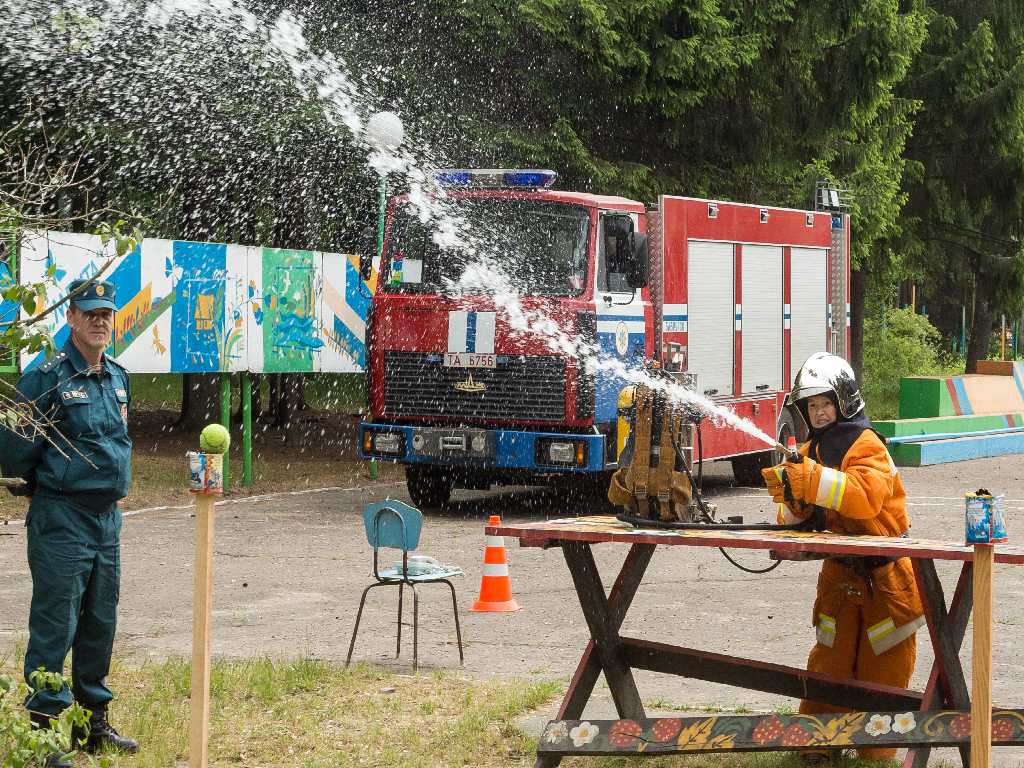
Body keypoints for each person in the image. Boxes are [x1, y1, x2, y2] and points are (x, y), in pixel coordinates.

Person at [0, 279, 139, 764]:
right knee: (55, 626)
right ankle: (45, 735)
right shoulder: (47, 377)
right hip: (62, 518)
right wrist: (46, 482)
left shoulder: (118, 376)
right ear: (71, 319)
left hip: (107, 522)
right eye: (90, 313)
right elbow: (14, 452)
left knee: (100, 622)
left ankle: (91, 725)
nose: (100, 321)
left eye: (107, 313)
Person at [762, 352, 923, 764]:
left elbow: (864, 498)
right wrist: (791, 496)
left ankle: (876, 754)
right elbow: (797, 521)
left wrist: (810, 480)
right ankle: (815, 747)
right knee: (827, 665)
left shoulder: (868, 446)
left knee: (883, 671)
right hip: (838, 579)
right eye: (811, 406)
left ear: (845, 401)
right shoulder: (811, 450)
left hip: (885, 584)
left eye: (824, 403)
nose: (817, 413)